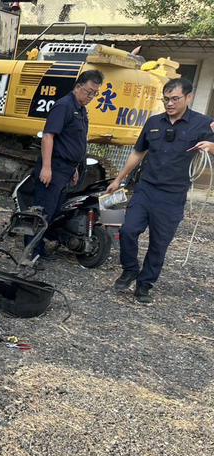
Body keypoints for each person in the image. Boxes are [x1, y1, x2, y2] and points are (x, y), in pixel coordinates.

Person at [106, 78, 214, 304]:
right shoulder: (154, 122)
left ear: (189, 97)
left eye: (175, 99)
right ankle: (130, 269)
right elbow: (137, 153)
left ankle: (145, 285)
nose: (170, 103)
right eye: (166, 99)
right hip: (146, 188)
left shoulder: (204, 124)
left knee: (159, 243)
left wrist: (210, 146)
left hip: (172, 195)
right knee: (127, 230)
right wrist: (118, 180)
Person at [27, 69, 104, 269]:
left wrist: (75, 168)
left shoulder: (80, 109)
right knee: (42, 212)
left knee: (53, 213)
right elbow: (48, 136)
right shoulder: (64, 106)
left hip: (67, 169)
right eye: (89, 91)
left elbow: (72, 141)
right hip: (54, 167)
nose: (91, 96)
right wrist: (46, 167)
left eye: (95, 93)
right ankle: (30, 255)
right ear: (78, 87)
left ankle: (39, 247)